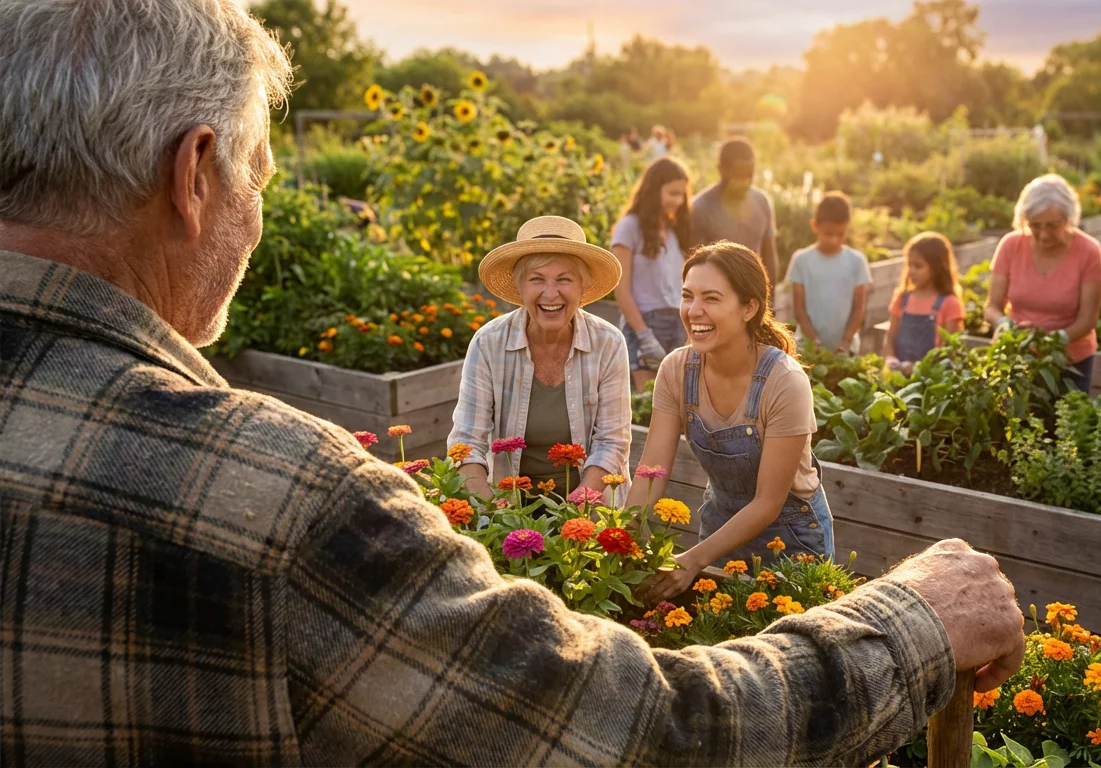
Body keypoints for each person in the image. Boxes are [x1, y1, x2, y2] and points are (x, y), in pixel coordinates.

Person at [0, 1, 1026, 763]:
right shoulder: (270, 501)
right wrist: (913, 623)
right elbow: (641, 738)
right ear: (195, 176)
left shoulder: (659, 360)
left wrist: (601, 508)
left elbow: (642, 454)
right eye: (258, 178)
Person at [630, 242, 833, 602]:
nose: (694, 311)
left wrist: (692, 560)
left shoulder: (783, 381)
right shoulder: (676, 371)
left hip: (790, 538)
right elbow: (652, 469)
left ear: (749, 308)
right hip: (719, 527)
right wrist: (622, 536)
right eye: (687, 296)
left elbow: (768, 502)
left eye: (711, 298)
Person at [448, 216, 630, 497]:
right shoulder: (488, 343)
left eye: (564, 279)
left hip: (589, 500)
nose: (550, 293)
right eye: (537, 279)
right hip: (509, 503)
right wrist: (491, 509)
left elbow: (612, 442)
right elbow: (467, 441)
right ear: (520, 287)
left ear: (583, 286)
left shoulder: (608, 343)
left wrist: (576, 509)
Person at [984, 174, 1101, 392]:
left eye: (1052, 225)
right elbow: (991, 306)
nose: (1043, 234)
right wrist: (1004, 325)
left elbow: (1088, 319)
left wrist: (1055, 341)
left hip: (1070, 359)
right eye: (1034, 226)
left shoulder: (1089, 251)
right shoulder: (1011, 245)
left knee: (1066, 422)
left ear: (1069, 218)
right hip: (1016, 355)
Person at [611, 157, 691, 391]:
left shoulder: (675, 230)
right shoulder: (629, 227)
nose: (678, 200)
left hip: (677, 322)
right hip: (645, 321)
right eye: (672, 193)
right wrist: (644, 336)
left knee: (675, 400)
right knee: (647, 400)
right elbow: (621, 289)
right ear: (654, 190)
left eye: (682, 194)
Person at [787, 191, 872, 354]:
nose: (834, 240)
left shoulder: (857, 261)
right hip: (808, 347)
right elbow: (799, 310)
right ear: (815, 226)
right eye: (828, 234)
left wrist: (845, 342)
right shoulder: (801, 260)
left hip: (846, 349)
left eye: (840, 234)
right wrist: (815, 343)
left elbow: (859, 308)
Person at [691, 138, 780, 287]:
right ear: (721, 170)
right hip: (716, 292)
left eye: (749, 176)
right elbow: (693, 262)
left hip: (753, 289)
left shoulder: (762, 201)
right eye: (737, 176)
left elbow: (769, 255)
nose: (744, 182)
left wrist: (771, 299)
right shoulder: (701, 207)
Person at [884, 233, 966, 374]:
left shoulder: (949, 304)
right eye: (909, 265)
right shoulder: (902, 298)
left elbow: (951, 351)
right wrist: (890, 358)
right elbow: (890, 337)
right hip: (898, 376)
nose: (911, 271)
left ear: (937, 268)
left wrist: (918, 368)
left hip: (932, 380)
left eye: (918, 266)